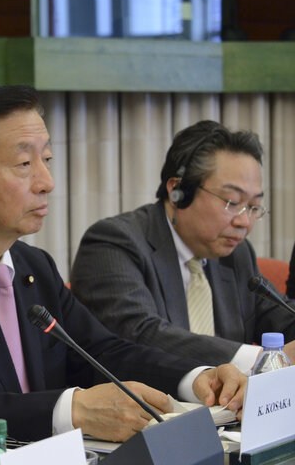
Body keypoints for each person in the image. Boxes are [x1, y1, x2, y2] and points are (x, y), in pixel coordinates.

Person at [0, 86, 247, 462]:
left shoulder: (32, 267)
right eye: (25, 164)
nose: (47, 183)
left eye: (47, 160)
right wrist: (72, 409)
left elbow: (102, 352)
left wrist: (196, 377)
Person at [71, 120, 295, 371]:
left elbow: (282, 317)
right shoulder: (113, 243)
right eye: (232, 202)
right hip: (150, 406)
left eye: (253, 207)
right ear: (178, 191)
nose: (244, 221)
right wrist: (259, 359)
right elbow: (141, 335)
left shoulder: (236, 253)